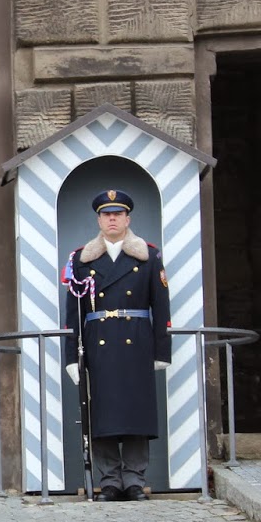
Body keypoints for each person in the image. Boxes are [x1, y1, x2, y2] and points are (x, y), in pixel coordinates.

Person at [62, 189, 172, 502]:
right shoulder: (81, 259)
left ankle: (135, 480)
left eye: (118, 214)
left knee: (136, 413)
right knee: (102, 413)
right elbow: (73, 314)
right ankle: (109, 481)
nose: (112, 219)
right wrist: (71, 357)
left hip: (137, 342)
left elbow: (161, 306)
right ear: (99, 220)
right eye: (106, 214)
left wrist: (162, 351)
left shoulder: (148, 256)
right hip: (99, 345)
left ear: (128, 219)